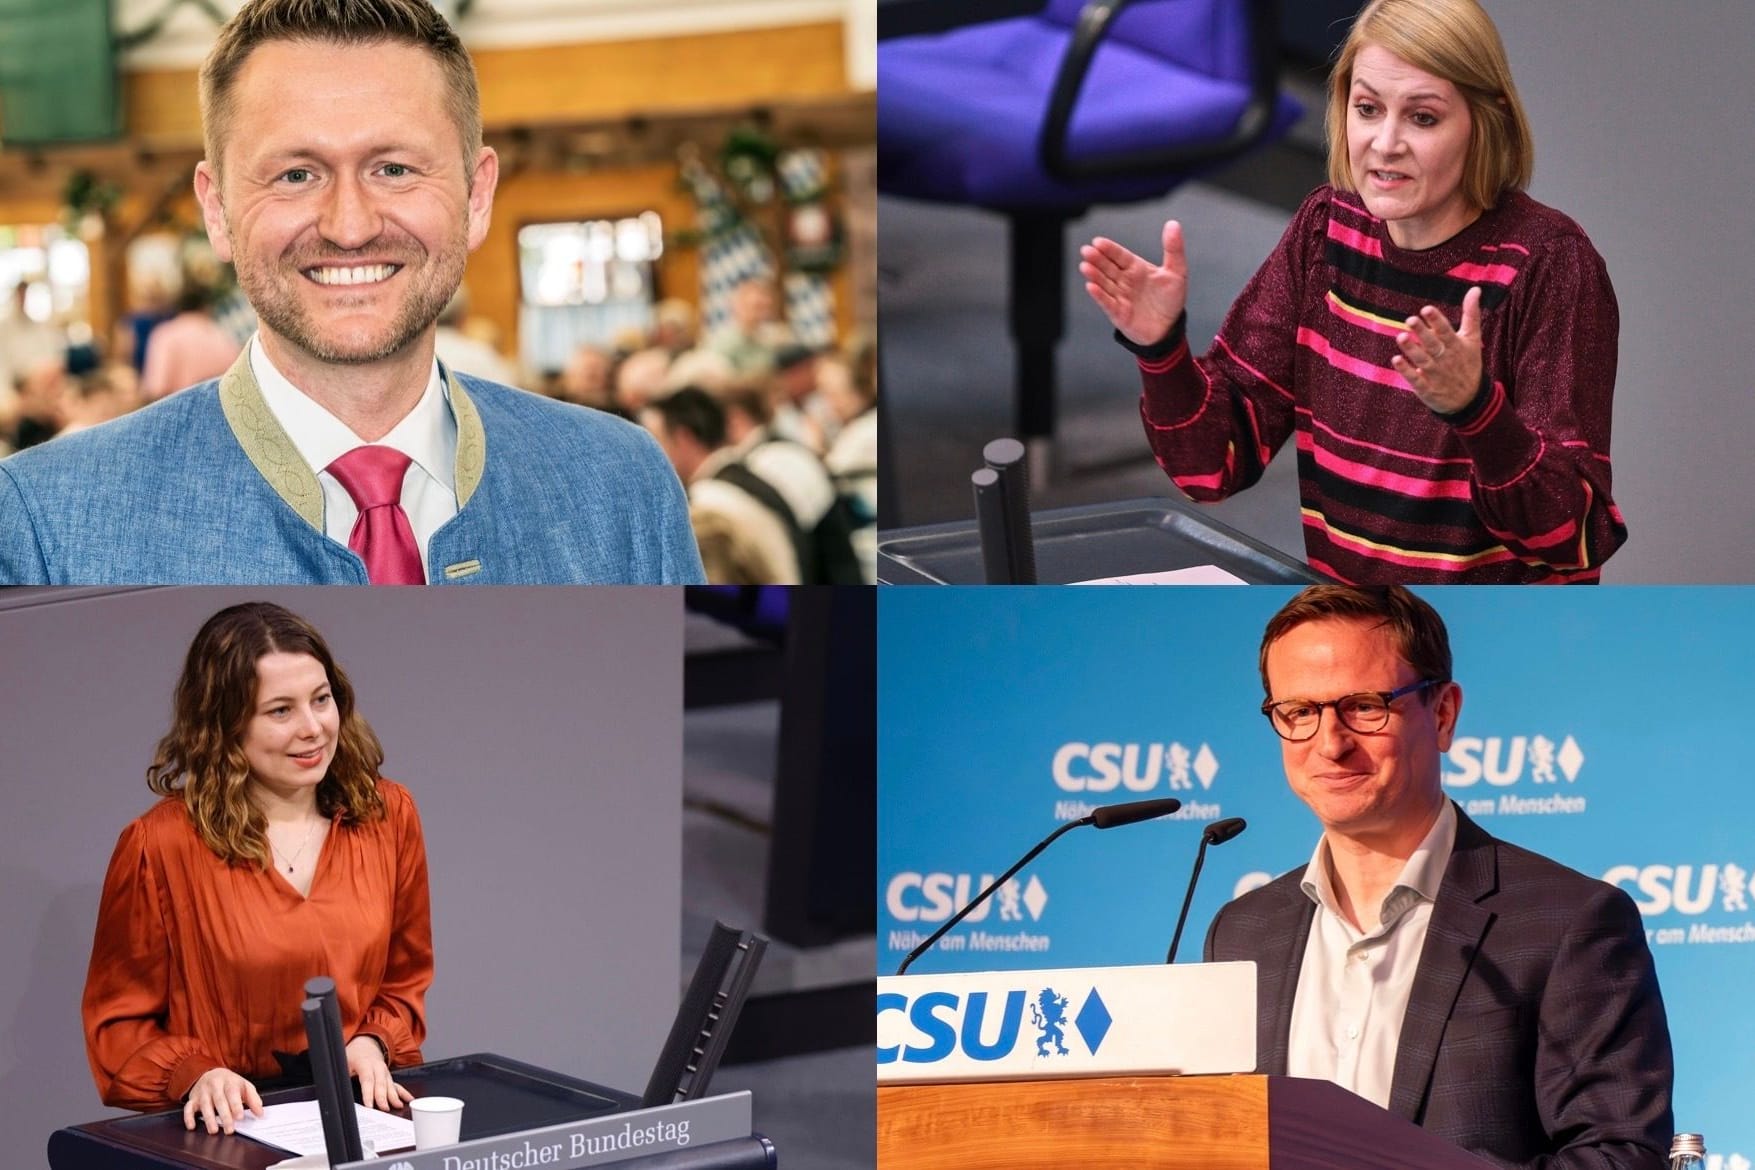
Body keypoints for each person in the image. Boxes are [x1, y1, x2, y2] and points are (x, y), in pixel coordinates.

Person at [0, 0, 701, 585]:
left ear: (476, 195)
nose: (350, 226)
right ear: (216, 210)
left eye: (394, 169)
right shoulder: (49, 521)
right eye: (296, 175)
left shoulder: (620, 487)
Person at [1081, 0, 1623, 584]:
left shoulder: (1550, 263)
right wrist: (1161, 350)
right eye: (1367, 109)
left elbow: (1573, 535)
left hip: (1497, 642)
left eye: (1422, 118)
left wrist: (1477, 411)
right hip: (1361, 628)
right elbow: (1212, 466)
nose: (1385, 143)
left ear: (1484, 121)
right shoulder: (1327, 229)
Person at [1205, 585, 1672, 1167]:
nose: (1330, 743)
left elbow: (1620, 1156)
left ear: (1443, 713)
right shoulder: (1244, 931)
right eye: (1298, 712)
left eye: (1365, 706)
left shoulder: (1568, 921)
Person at [83, 601, 431, 1133]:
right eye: (280, 711)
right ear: (225, 726)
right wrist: (194, 1074)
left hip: (365, 1117)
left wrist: (373, 1039)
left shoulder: (387, 815)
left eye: (322, 700)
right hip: (230, 1131)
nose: (313, 728)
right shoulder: (162, 846)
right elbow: (118, 1022)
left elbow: (405, 979)